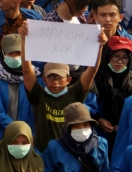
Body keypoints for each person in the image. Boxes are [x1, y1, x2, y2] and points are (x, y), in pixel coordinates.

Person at [21, 20, 106, 152]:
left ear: (68, 79)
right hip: (43, 154)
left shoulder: (74, 94)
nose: (55, 81)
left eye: (59, 77)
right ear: (43, 79)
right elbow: (27, 71)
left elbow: (91, 73)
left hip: (69, 155)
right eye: (50, 77)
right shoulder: (38, 95)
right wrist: (24, 40)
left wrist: (99, 47)